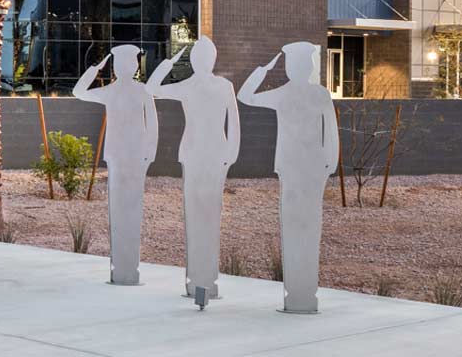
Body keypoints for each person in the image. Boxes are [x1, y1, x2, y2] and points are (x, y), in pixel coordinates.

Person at [238, 41, 339, 313]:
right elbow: (245, 96)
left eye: (302, 64)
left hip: (314, 166)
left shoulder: (320, 94)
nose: (298, 68)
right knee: (292, 223)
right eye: (292, 64)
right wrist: (263, 70)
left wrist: (331, 162)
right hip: (291, 167)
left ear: (308, 67)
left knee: (311, 223)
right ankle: (295, 292)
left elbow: (330, 130)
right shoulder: (281, 94)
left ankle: (307, 292)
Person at [146, 36, 240, 300]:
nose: (203, 62)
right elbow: (151, 89)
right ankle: (197, 279)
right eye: (199, 57)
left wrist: (230, 155)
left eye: (205, 57)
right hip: (194, 154)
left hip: (214, 154)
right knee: (195, 214)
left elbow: (233, 121)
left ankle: (207, 279)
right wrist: (168, 62)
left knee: (210, 214)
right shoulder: (187, 86)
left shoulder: (224, 86)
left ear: (211, 60)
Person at [71, 44, 158, 285]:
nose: (123, 67)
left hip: (137, 154)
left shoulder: (143, 91)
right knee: (118, 207)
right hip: (117, 156)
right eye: (118, 64)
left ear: (135, 66)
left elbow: (152, 122)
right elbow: (78, 91)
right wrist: (94, 69)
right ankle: (120, 267)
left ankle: (131, 267)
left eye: (128, 63)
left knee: (134, 205)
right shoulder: (109, 91)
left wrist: (150, 153)